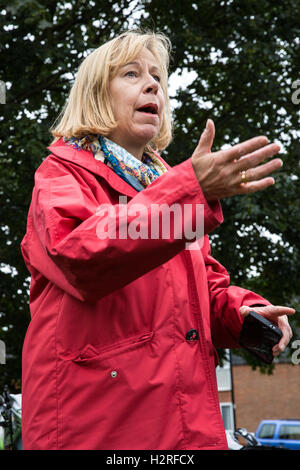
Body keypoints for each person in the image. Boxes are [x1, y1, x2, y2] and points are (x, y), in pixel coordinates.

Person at [20, 30, 294, 450]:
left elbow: (203, 286)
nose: (153, 85)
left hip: (184, 426)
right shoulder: (60, 176)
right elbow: (84, 254)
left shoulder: (170, 189)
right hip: (98, 428)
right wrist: (188, 191)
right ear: (96, 96)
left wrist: (246, 313)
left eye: (158, 78)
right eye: (131, 74)